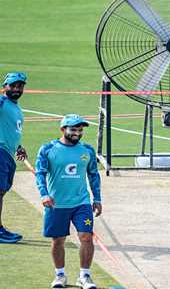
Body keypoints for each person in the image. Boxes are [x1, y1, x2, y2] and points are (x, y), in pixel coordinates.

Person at [35, 114, 102, 289]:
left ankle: (84, 276)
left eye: (80, 130)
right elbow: (40, 173)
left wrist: (97, 198)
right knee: (58, 240)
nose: (77, 134)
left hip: (81, 203)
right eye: (73, 130)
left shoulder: (87, 150)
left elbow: (93, 175)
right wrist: (44, 194)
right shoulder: (47, 149)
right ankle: (60, 275)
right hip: (56, 204)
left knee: (86, 237)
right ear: (63, 129)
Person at [0, 72, 28, 243]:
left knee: (2, 191)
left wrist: (18, 147)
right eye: (13, 85)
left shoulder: (15, 107)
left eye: (20, 85)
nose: (17, 88)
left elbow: (10, 130)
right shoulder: (2, 102)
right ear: (5, 87)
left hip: (8, 154)